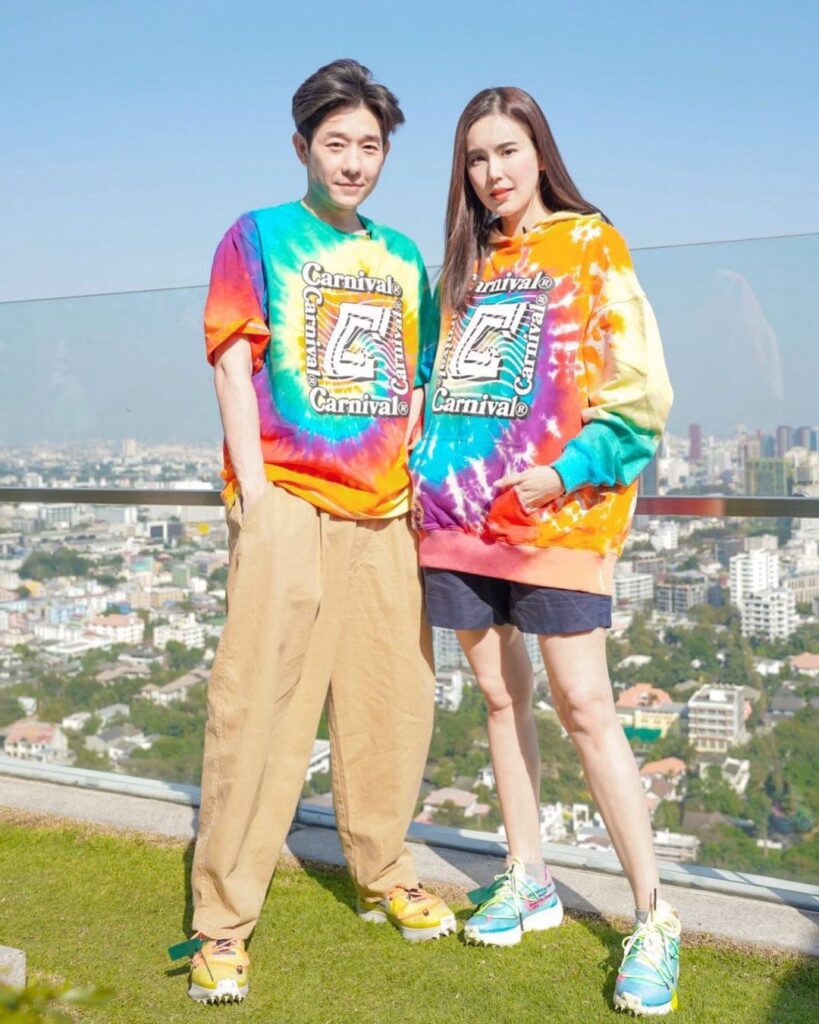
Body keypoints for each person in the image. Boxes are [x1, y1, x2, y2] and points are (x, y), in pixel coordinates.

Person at [167, 59, 454, 1005]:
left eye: (369, 145)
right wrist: (254, 497)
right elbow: (231, 364)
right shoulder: (256, 236)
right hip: (286, 498)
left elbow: (417, 383)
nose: (353, 162)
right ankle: (221, 922)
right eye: (336, 143)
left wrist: (410, 483)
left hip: (385, 508)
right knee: (259, 707)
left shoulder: (403, 258)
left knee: (391, 700)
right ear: (302, 146)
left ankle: (384, 872)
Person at [410, 87, 679, 1017]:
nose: (492, 172)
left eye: (507, 151)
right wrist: (421, 467)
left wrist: (561, 475)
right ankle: (527, 876)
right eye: (476, 157)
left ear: (539, 153)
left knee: (586, 707)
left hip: (555, 522)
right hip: (456, 519)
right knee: (496, 695)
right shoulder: (466, 264)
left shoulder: (591, 244)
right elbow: (434, 382)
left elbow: (639, 396)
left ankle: (652, 913)